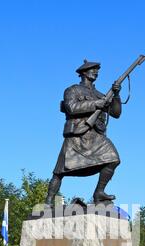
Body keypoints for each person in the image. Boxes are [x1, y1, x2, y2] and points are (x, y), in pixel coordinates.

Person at [45, 60, 122, 207]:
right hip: (77, 134)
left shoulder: (101, 95)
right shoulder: (72, 90)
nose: (96, 72)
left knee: (113, 159)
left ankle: (99, 193)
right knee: (60, 171)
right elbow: (71, 108)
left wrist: (116, 95)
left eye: (97, 70)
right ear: (83, 73)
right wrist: (95, 104)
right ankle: (49, 201)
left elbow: (116, 113)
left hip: (95, 136)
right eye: (93, 69)